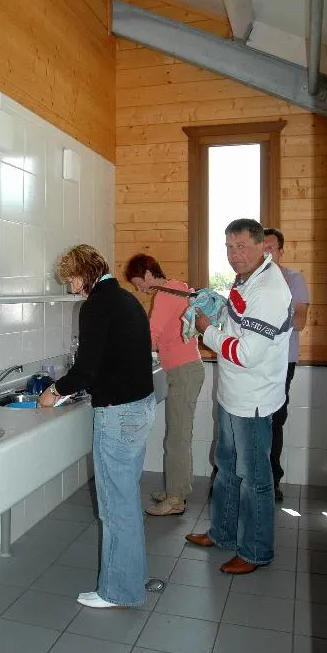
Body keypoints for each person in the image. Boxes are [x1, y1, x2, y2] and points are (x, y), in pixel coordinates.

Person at [39, 245, 156, 608]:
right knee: (126, 501)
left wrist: (54, 391)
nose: (73, 288)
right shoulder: (126, 300)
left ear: (86, 273)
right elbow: (111, 359)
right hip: (140, 408)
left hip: (118, 414)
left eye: (73, 280)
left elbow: (86, 369)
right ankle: (131, 578)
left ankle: (119, 591)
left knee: (116, 507)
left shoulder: (96, 305)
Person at [186, 219, 292, 574]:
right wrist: (218, 309)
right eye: (229, 247)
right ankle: (223, 533)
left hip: (253, 401)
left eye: (242, 246)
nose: (234, 255)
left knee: (255, 479)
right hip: (233, 394)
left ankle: (256, 551)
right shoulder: (246, 278)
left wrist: (206, 330)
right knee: (227, 467)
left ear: (262, 246)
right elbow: (239, 322)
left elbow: (246, 353)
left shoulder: (269, 291)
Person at [124, 254, 204, 516]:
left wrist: (124, 358)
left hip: (183, 370)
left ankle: (175, 499)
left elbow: (151, 337)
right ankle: (177, 488)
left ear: (148, 274)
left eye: (139, 283)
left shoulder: (164, 295)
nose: (140, 289)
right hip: (187, 368)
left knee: (177, 436)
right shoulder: (178, 288)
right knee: (179, 433)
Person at [264, 227, 310, 502]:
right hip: (254, 361)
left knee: (275, 420)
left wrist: (262, 321)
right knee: (248, 420)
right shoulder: (247, 279)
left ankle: (272, 481)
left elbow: (300, 321)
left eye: (271, 247)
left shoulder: (293, 279)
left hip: (282, 362)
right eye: (262, 247)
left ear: (281, 251)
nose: (266, 252)